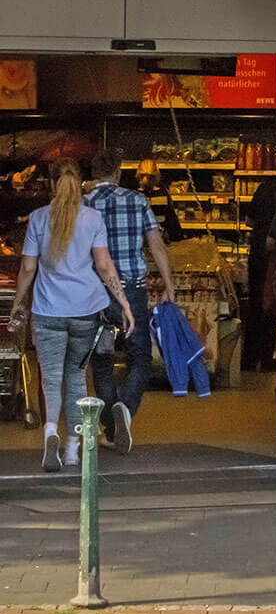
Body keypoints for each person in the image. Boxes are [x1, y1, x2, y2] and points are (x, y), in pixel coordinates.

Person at [12, 160, 133, 472]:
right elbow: (104, 266)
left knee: (51, 379)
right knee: (77, 379)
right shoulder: (92, 218)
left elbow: (28, 268)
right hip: (85, 309)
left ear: (53, 184)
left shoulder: (38, 218)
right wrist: (124, 302)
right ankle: (72, 450)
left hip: (47, 311)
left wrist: (18, 302)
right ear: (80, 183)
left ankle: (50, 431)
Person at [84, 149, 177, 452]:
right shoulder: (138, 201)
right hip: (133, 289)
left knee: (102, 360)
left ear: (95, 172)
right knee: (140, 355)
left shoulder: (84, 204)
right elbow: (156, 245)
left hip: (96, 291)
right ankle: (125, 409)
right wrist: (169, 284)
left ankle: (112, 427)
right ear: (120, 173)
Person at [243, 173, 276, 373]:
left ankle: (249, 359)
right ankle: (268, 358)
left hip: (259, 254)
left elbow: (249, 221)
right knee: (274, 308)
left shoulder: (264, 188)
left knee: (255, 304)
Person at [134, 160, 183, 243]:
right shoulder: (164, 194)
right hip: (160, 242)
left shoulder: (133, 196)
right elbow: (172, 223)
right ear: (157, 175)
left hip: (139, 244)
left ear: (138, 175)